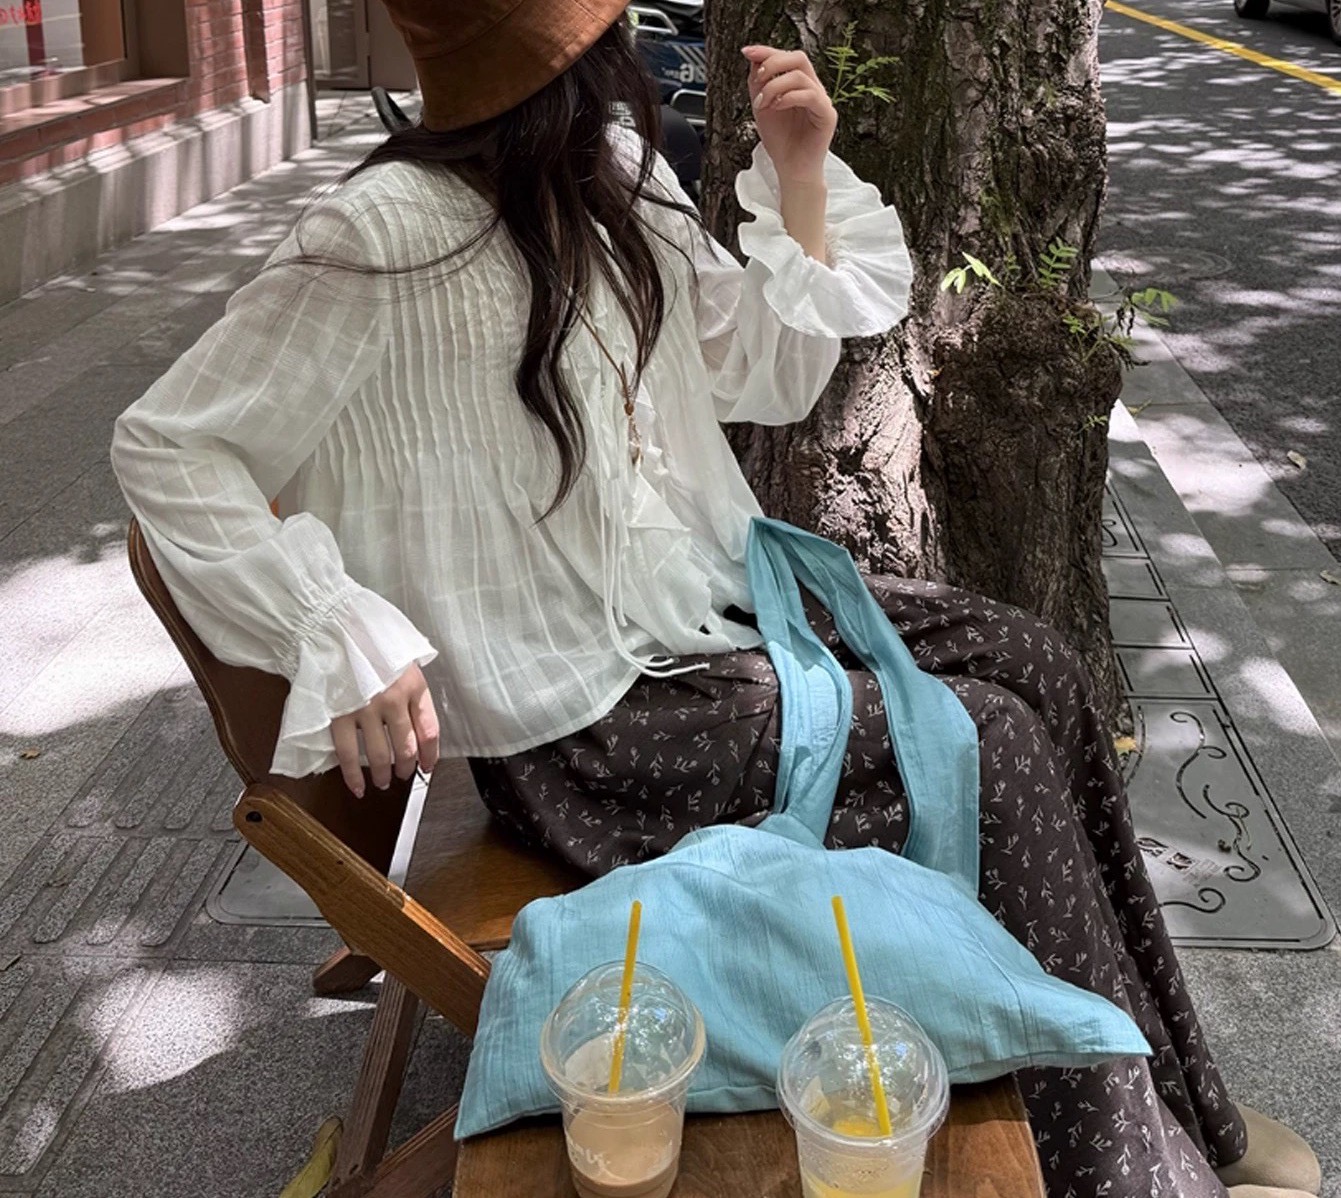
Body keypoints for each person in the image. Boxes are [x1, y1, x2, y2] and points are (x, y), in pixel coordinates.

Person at [110, 3, 1320, 1196]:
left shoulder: (613, 174)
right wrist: (334, 622)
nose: (632, 53)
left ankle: (1183, 1099)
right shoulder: (376, 232)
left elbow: (760, 375)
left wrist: (801, 177)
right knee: (988, 742)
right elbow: (170, 448)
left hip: (697, 614)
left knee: (1034, 659)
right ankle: (1117, 1163)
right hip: (583, 731)